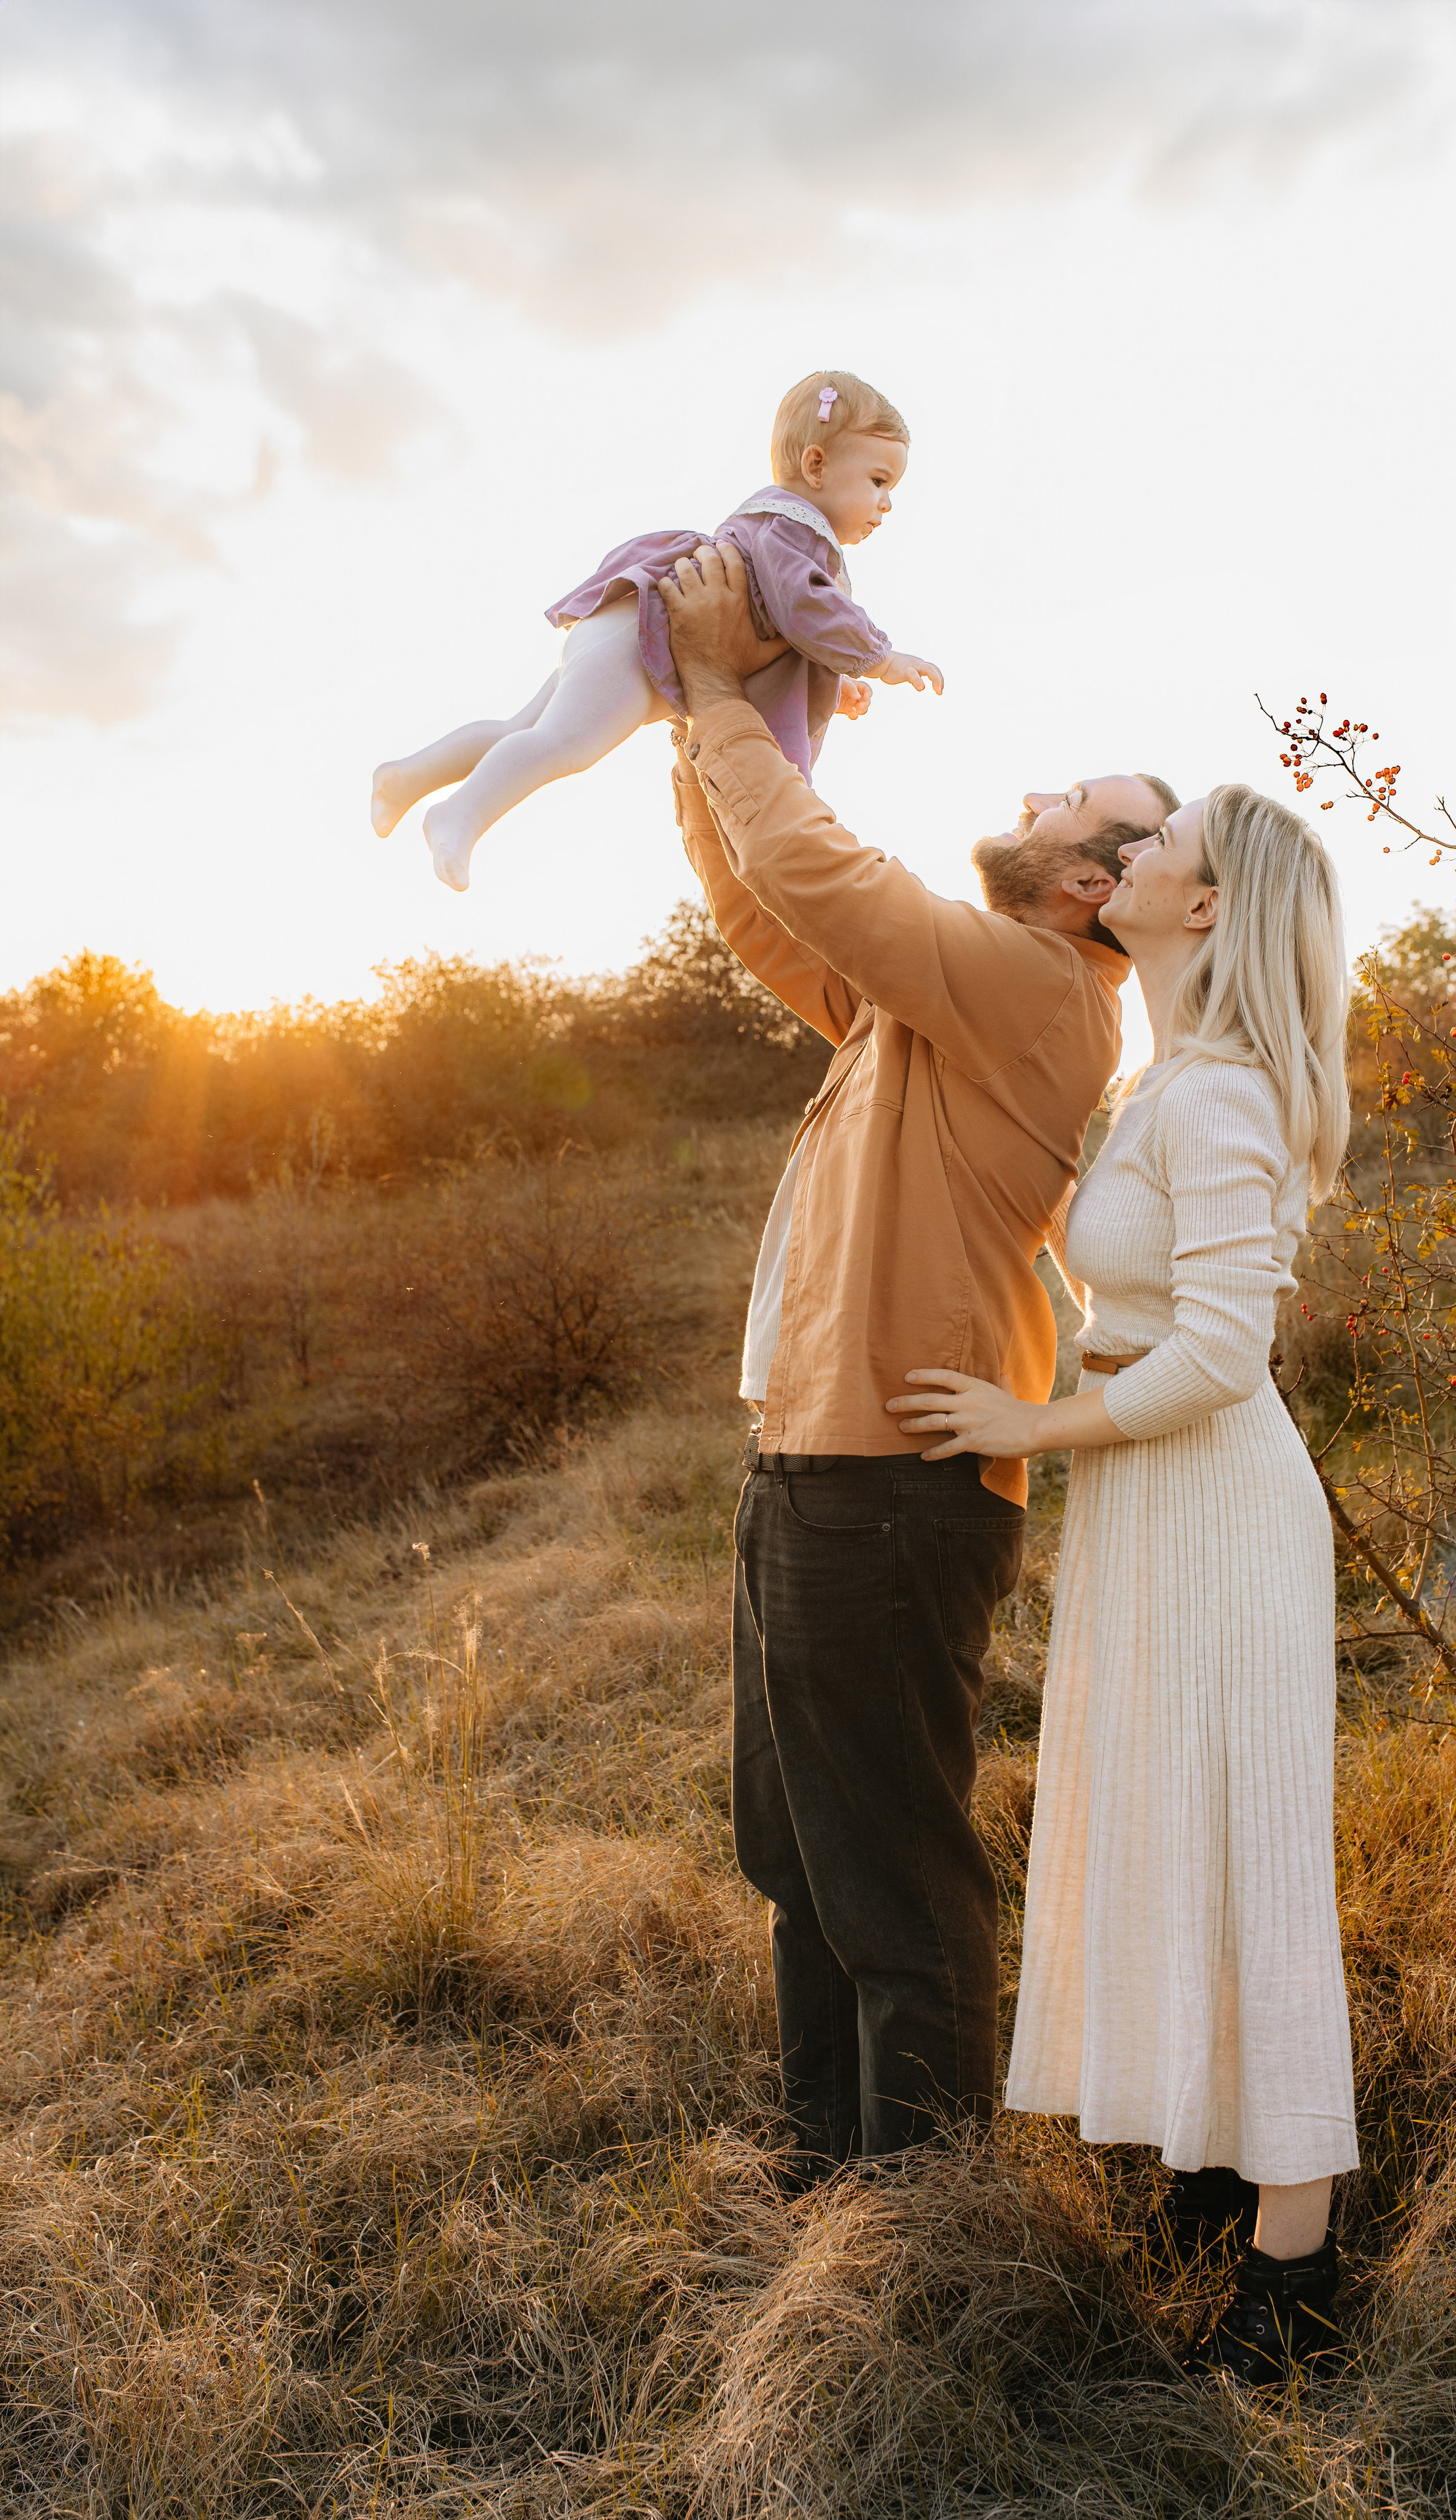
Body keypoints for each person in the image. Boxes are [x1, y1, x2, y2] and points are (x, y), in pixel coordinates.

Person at [656, 537, 1178, 2181]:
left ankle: (930, 2229)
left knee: (889, 1867)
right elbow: (765, 910)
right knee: (796, 1850)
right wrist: (697, 716)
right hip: (813, 1468)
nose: (1023, 797)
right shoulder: (935, 997)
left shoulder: (1035, 987)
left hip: (890, 1489)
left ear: (1088, 883)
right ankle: (831, 2175)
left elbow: (823, 879)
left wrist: (729, 695)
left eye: (1058, 800)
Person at [889, 786, 1359, 2385]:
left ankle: (1293, 2275)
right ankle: (1211, 2167)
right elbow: (1136, 1292)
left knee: (1254, 1866)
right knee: (1174, 1836)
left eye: (1159, 850)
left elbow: (1226, 1353)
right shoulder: (1165, 1081)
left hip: (1219, 1516)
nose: (1128, 859)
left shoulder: (1217, 1095)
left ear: (1207, 908)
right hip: (1151, 1512)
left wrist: (1032, 1420)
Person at [369, 370, 943, 891]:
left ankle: (404, 777)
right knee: (566, 745)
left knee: (524, 728)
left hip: (626, 626)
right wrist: (878, 658)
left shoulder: (780, 533)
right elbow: (805, 609)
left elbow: (787, 636)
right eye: (878, 480)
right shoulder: (794, 533)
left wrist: (833, 683)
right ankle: (459, 815)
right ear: (816, 466)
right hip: (643, 645)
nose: (887, 503)